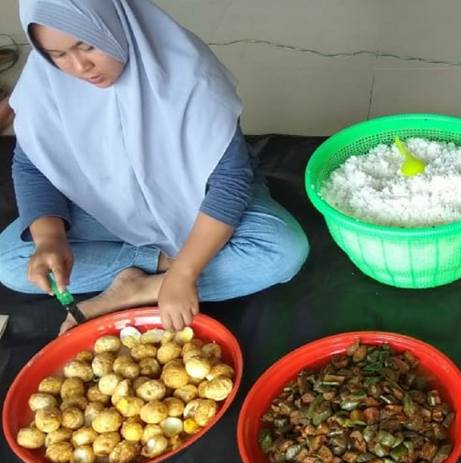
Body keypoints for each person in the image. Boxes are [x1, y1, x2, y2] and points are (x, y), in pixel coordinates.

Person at [0, 0, 310, 333]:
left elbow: (229, 183)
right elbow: (32, 164)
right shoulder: (44, 82)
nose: (80, 66)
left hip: (197, 203)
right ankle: (155, 265)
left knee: (282, 251)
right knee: (12, 262)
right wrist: (50, 239)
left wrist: (185, 274)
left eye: (88, 45)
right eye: (57, 55)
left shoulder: (187, 73)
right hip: (103, 206)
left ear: (114, 22)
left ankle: (141, 288)